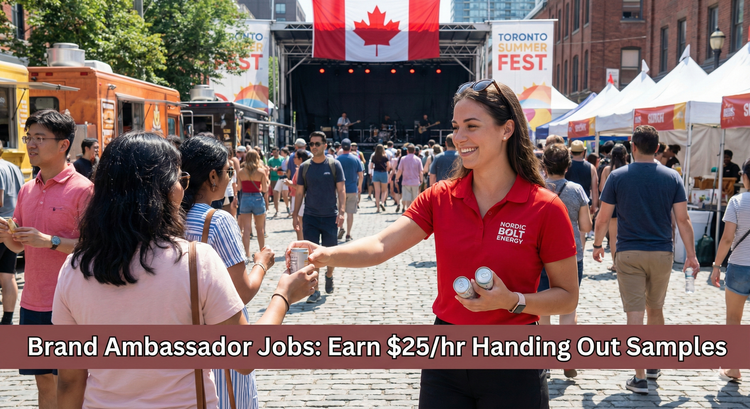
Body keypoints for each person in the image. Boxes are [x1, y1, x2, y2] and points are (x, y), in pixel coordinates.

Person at [287, 79, 578, 408]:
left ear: (506, 129)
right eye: (456, 127)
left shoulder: (545, 207)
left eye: (471, 126)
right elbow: (382, 245)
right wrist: (325, 254)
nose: (459, 137)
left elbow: (566, 298)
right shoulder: (441, 197)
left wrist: (512, 301)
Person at [52, 131, 317, 409]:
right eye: (180, 179)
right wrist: (283, 295)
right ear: (161, 190)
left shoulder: (74, 268)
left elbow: (70, 381)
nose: (183, 188)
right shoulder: (195, 260)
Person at [593, 125, 700, 395]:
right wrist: (691, 255)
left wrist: (596, 244)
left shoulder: (617, 177)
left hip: (629, 252)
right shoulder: (672, 176)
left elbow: (603, 218)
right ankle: (653, 363)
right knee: (656, 308)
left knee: (634, 314)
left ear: (633, 146)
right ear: (657, 148)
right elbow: (683, 220)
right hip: (662, 252)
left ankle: (639, 376)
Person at [0, 109, 93, 408]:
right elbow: (19, 248)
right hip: (33, 301)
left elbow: (93, 246)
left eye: (40, 138)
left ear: (64, 145)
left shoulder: (84, 190)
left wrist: (50, 241)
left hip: (71, 304)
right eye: (29, 137)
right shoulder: (27, 188)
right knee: (42, 380)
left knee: (72, 381)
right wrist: (8, 238)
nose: (31, 145)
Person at [180, 134, 273, 409]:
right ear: (212, 177)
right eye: (227, 171)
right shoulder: (217, 221)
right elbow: (241, 291)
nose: (230, 178)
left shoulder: (169, 216)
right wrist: (262, 263)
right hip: (222, 340)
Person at [538, 143, 592, 379]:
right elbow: (586, 226)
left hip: (539, 256)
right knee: (568, 308)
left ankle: (546, 362)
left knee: (543, 309)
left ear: (544, 166)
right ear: (568, 166)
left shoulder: (536, 188)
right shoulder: (577, 190)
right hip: (572, 255)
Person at [292, 131, 345, 303]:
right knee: (312, 256)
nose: (313, 147)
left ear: (325, 145)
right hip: (310, 217)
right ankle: (314, 290)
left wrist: (342, 211)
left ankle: (329, 276)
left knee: (330, 254)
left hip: (330, 216)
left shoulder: (334, 164)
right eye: (311, 144)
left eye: (317, 144)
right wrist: (295, 214)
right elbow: (299, 193)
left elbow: (341, 190)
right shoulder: (305, 167)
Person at [711, 158, 750, 383]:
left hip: (740, 266)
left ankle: (734, 368)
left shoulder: (737, 201)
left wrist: (716, 266)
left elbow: (727, 238)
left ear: (744, 177)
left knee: (733, 319)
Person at [0, 141, 25, 325]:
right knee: (8, 275)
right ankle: (7, 320)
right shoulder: (14, 168)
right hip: (13, 225)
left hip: (0, 227)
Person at [598, 144, 629, 271]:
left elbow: (601, 189)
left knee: (613, 236)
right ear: (625, 155)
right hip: (626, 204)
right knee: (626, 234)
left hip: (612, 205)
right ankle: (626, 263)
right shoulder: (629, 168)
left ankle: (616, 263)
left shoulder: (607, 170)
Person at [238, 149, 269, 255]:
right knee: (260, 229)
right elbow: (264, 189)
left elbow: (238, 187)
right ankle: (262, 252)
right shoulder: (261, 171)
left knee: (246, 229)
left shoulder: (241, 172)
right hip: (257, 198)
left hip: (245, 198)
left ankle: (246, 253)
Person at [336, 138, 363, 241]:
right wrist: (359, 185)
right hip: (352, 189)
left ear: (341, 147)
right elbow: (361, 175)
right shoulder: (356, 159)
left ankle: (341, 228)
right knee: (350, 213)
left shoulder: (337, 159)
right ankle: (348, 234)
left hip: (340, 190)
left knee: (340, 211)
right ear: (351, 147)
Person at [285, 149, 311, 240]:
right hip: (297, 196)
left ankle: (301, 243)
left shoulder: (300, 169)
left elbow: (301, 187)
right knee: (300, 223)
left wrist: (290, 184)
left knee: (299, 224)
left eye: (295, 157)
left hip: (299, 197)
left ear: (300, 159)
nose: (293, 159)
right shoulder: (301, 168)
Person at [396, 144, 423, 212]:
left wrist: (397, 178)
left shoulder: (403, 159)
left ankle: (408, 211)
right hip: (415, 181)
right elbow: (421, 172)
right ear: (414, 151)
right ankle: (414, 211)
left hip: (406, 181)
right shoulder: (418, 159)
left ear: (407, 151)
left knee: (407, 198)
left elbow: (399, 170)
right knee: (414, 198)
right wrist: (421, 180)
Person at [369, 144, 390, 213]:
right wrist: (386, 170)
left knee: (377, 192)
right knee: (384, 191)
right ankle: (382, 202)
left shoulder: (374, 157)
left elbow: (371, 166)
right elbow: (388, 166)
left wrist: (375, 167)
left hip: (376, 174)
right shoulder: (385, 157)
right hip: (383, 173)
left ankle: (378, 208)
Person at [273, 147, 291, 215]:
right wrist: (278, 168)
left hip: (285, 177)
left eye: (282, 152)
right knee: (276, 191)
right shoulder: (284, 159)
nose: (280, 153)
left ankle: (287, 207)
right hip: (281, 177)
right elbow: (283, 167)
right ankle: (277, 210)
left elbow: (288, 169)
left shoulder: (288, 159)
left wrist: (284, 172)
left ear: (285, 152)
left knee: (284, 194)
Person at [267, 147, 284, 216]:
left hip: (281, 178)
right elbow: (267, 168)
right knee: (275, 193)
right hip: (273, 178)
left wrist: (279, 169)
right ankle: (277, 208)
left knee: (280, 193)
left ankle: (278, 204)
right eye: (273, 153)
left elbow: (285, 167)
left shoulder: (282, 159)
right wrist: (271, 169)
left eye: (275, 152)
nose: (274, 154)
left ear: (278, 151)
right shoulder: (270, 160)